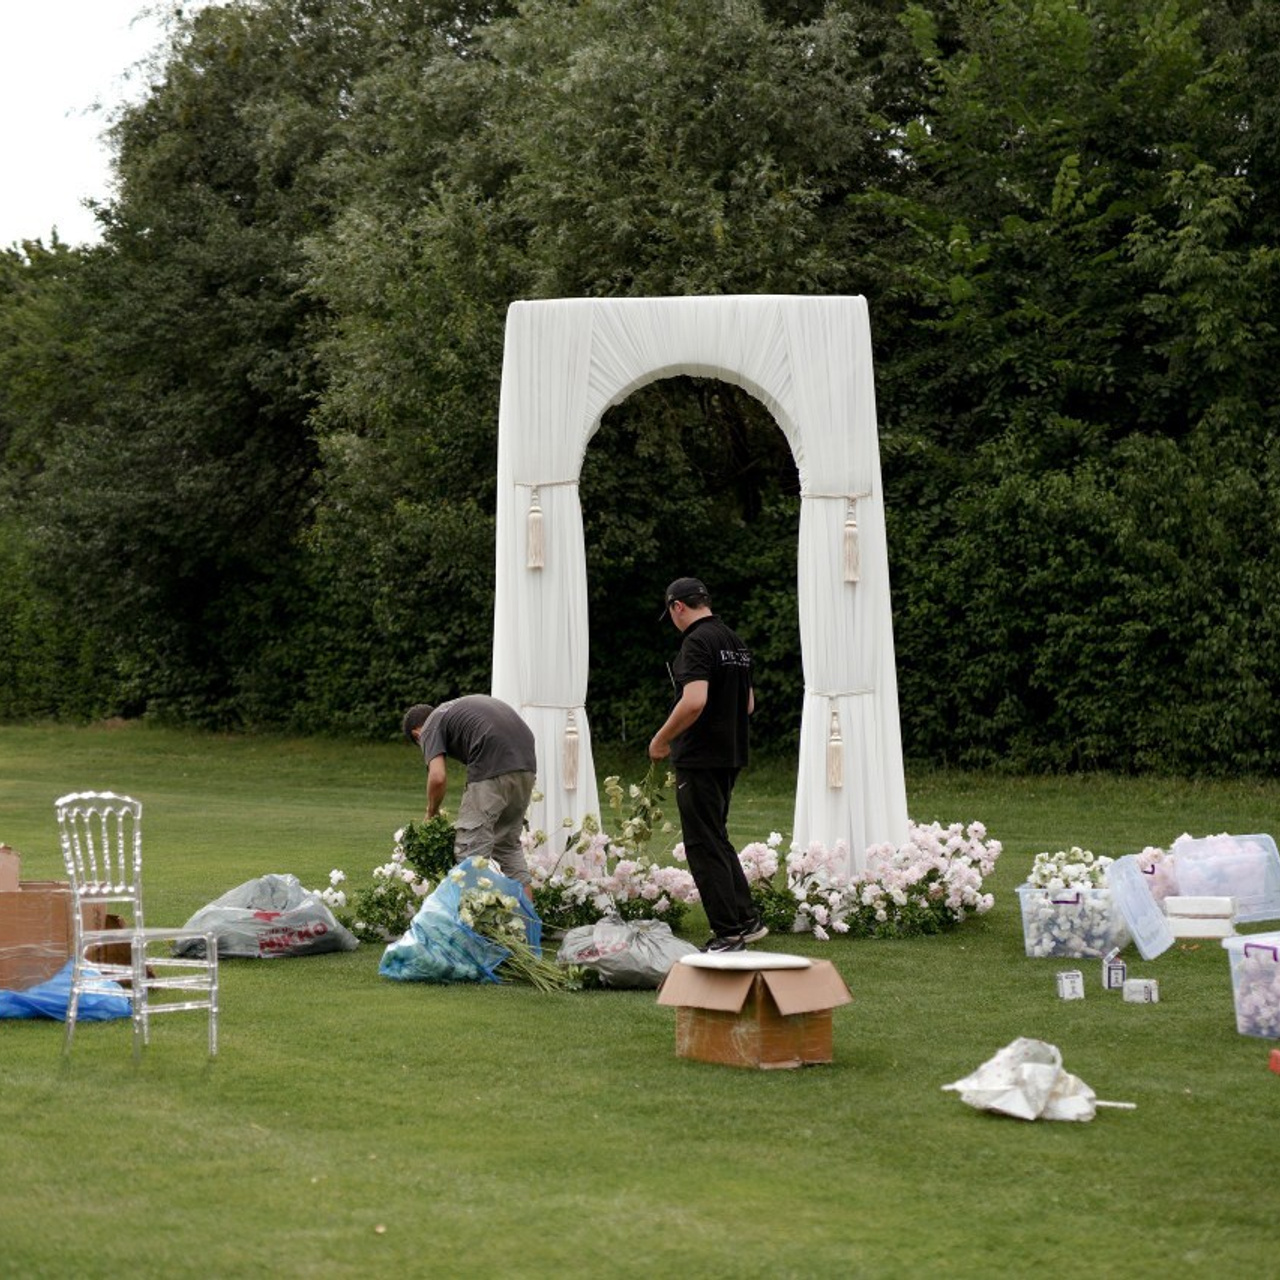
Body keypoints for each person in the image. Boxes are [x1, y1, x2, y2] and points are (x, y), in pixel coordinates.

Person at [648, 577, 767, 953]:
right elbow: (748, 705)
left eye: (671, 615)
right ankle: (746, 920)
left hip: (700, 756)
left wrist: (661, 738)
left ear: (677, 607)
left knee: (701, 844)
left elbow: (694, 700)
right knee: (716, 835)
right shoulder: (735, 642)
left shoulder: (696, 642)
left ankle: (728, 934)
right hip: (730, 753)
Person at [401, 696, 537, 894]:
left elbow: (437, 777)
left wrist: (432, 812)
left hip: (493, 764)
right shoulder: (453, 712)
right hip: (526, 765)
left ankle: (474, 922)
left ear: (417, 735)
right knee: (507, 848)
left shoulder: (430, 726)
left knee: (470, 853)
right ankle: (528, 923)